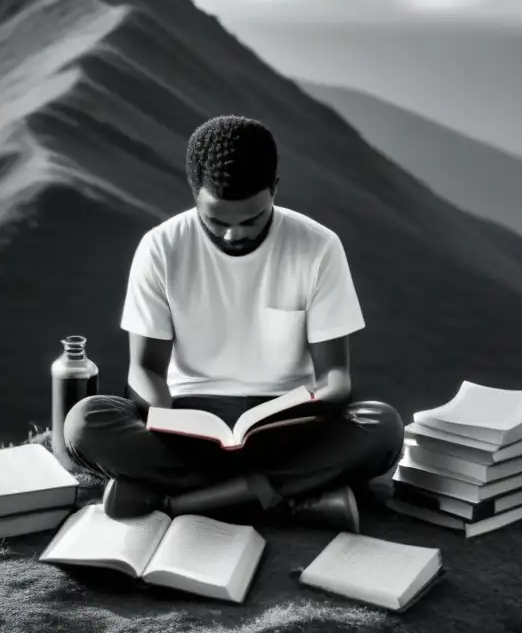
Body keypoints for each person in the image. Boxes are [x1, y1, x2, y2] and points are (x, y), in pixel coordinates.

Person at [63, 115, 404, 532]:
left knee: (382, 427)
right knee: (85, 421)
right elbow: (145, 369)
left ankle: (175, 501)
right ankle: (285, 498)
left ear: (275, 189)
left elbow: (335, 377)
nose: (232, 236)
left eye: (251, 220)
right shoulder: (160, 247)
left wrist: (312, 406)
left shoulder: (318, 246)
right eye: (217, 221)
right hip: (189, 428)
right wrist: (169, 418)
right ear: (195, 197)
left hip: (287, 428)